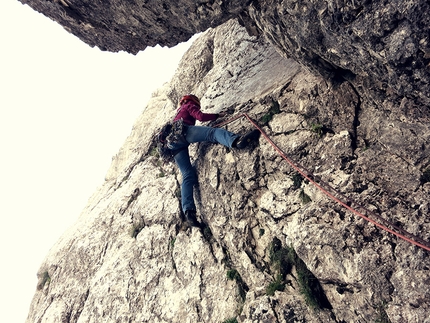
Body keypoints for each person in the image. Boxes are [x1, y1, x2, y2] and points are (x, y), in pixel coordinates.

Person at [167, 94, 259, 228]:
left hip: (172, 145)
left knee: (187, 175)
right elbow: (201, 117)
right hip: (184, 133)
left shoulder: (178, 113)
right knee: (213, 133)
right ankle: (236, 141)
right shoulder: (188, 105)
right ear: (194, 102)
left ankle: (189, 212)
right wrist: (217, 115)